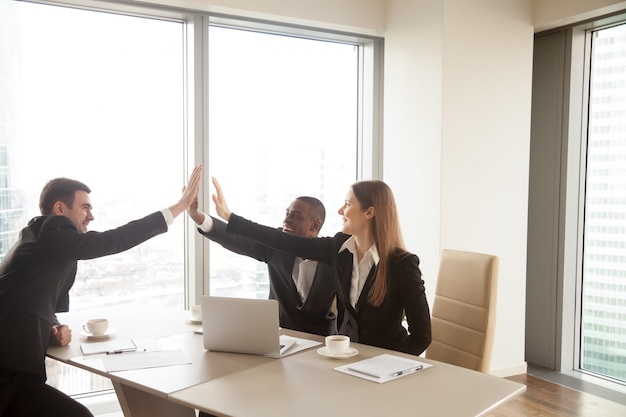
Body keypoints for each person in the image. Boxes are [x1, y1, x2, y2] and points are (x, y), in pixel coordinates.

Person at [0, 165, 202, 417]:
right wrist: (179, 206)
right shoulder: (51, 231)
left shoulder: (48, 242)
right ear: (60, 209)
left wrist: (53, 326)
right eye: (85, 207)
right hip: (8, 368)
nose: (91, 216)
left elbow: (27, 296)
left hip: (14, 365)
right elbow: (113, 240)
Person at [208, 176, 432, 356]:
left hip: (383, 367)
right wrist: (229, 217)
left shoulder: (402, 264)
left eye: (347, 204)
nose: (340, 211)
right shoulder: (339, 249)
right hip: (347, 359)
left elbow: (421, 337)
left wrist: (391, 365)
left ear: (369, 212)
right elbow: (281, 241)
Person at [188, 196, 337, 336]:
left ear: (314, 226)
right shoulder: (275, 246)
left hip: (322, 341)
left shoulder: (332, 256)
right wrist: (199, 218)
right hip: (277, 334)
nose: (286, 220)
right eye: (287, 214)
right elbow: (235, 239)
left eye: (295, 216)